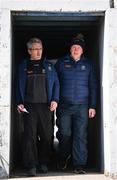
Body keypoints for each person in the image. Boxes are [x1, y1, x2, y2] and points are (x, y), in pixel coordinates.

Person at [16, 37, 59, 176]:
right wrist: (19, 102)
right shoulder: (23, 66)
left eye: (40, 49)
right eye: (35, 49)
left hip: (46, 107)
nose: (39, 52)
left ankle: (44, 162)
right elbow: (17, 85)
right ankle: (31, 165)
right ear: (29, 51)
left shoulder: (49, 66)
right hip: (29, 107)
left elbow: (56, 84)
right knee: (30, 137)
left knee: (47, 136)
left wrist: (55, 100)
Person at [55, 34, 97, 174]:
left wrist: (92, 106)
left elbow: (93, 86)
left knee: (80, 135)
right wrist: (54, 100)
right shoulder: (61, 63)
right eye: (73, 47)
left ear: (82, 50)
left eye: (78, 48)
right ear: (70, 49)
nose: (75, 50)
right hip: (64, 106)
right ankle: (63, 157)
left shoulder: (88, 65)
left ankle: (79, 164)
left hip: (82, 106)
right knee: (64, 133)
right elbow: (54, 84)